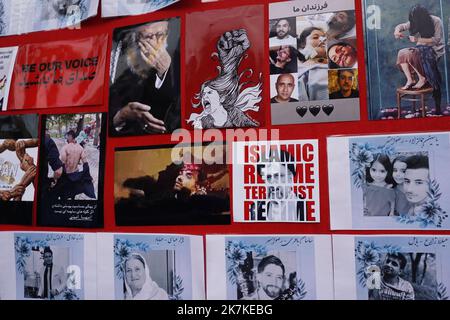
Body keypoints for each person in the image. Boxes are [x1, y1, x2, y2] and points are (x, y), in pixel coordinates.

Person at [109, 19, 180, 136]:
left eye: (160, 35)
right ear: (136, 39)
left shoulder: (177, 60)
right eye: (148, 36)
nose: (155, 42)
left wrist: (165, 70)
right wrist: (122, 115)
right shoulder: (122, 67)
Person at [188, 29, 261, 129]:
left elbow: (257, 132)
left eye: (209, 93)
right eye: (203, 94)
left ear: (222, 97)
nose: (204, 97)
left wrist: (230, 61)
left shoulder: (234, 114)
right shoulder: (202, 123)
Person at [394, 5, 444, 114]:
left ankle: (422, 77)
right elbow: (402, 26)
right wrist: (397, 31)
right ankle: (410, 79)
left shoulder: (436, 21)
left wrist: (417, 39)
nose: (414, 22)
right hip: (420, 48)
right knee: (402, 53)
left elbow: (436, 40)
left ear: (422, 17)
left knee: (414, 53)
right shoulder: (415, 20)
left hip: (434, 50)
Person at [297, 27, 329, 101]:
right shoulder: (299, 70)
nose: (322, 40)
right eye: (315, 37)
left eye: (325, 38)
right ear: (303, 44)